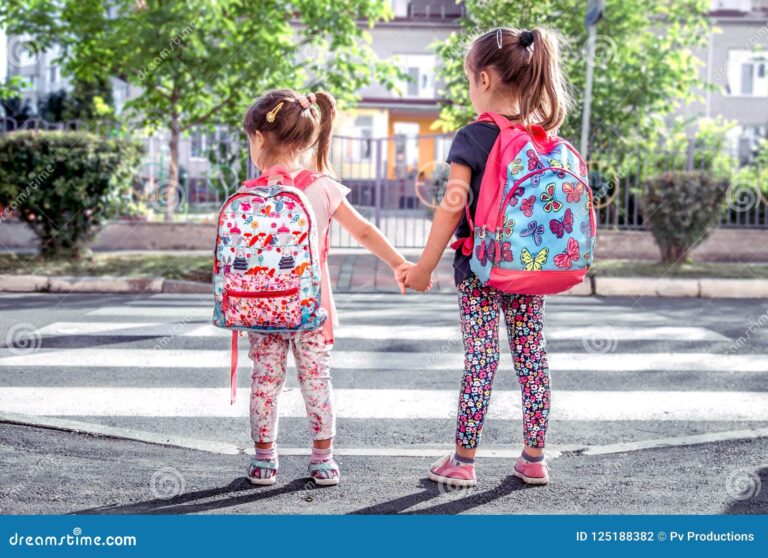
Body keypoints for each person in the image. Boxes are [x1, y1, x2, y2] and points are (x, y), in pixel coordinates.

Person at [404, 28, 572, 487]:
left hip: (479, 269)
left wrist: (423, 268)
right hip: (531, 266)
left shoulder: (473, 136)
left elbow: (452, 203)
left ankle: (463, 460)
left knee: (481, 359)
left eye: (468, 79)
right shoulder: (542, 136)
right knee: (532, 355)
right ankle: (534, 457)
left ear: (483, 78)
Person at [241, 89, 414, 486]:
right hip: (312, 305)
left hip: (262, 306)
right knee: (316, 378)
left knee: (265, 381)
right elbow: (364, 231)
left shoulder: (249, 193)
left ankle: (264, 459)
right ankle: (323, 459)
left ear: (260, 138)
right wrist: (398, 263)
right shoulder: (323, 187)